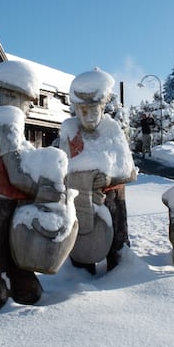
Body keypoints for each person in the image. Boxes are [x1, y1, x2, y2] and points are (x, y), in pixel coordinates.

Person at [0, 60, 62, 317]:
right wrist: (41, 190)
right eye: (29, 102)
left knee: (7, 253)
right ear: (15, 95)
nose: (30, 108)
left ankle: (22, 291)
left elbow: (19, 158)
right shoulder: (5, 120)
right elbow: (17, 172)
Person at [59, 69, 137, 274]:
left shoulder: (111, 130)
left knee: (118, 248)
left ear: (103, 107)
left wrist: (110, 176)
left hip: (113, 200)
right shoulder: (69, 131)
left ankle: (121, 272)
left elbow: (130, 171)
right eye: (83, 110)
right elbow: (61, 167)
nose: (90, 116)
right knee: (81, 250)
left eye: (94, 109)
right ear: (75, 109)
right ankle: (79, 275)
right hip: (79, 201)